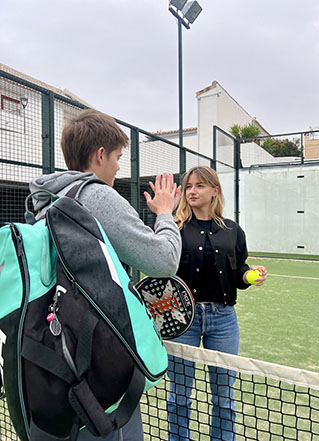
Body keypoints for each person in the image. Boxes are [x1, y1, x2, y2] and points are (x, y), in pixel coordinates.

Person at [29, 108, 182, 441]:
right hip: (98, 382)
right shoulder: (97, 195)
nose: (116, 167)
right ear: (100, 155)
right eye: (117, 157)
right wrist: (167, 214)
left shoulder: (43, 204)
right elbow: (163, 260)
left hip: (47, 370)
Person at [167, 166, 267, 441]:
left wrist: (249, 275)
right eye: (188, 186)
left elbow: (238, 274)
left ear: (215, 190)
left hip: (223, 321)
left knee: (223, 397)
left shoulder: (234, 231)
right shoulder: (174, 229)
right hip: (182, 320)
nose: (192, 191)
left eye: (199, 186)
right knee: (179, 395)